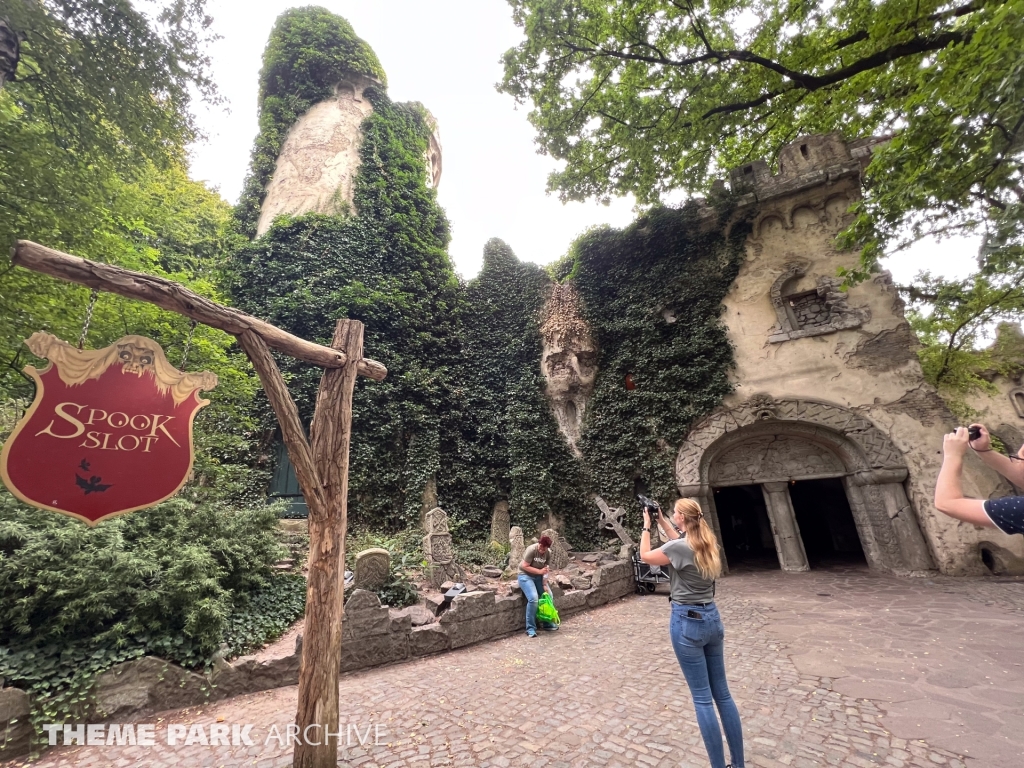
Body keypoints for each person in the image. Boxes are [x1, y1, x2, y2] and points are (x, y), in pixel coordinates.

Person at [641, 499, 744, 768]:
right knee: (722, 694)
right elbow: (679, 543)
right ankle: (739, 763)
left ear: (683, 518)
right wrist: (663, 519)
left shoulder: (678, 547)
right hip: (712, 617)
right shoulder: (706, 543)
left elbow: (646, 556)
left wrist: (646, 526)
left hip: (687, 620)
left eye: (675, 513)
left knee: (702, 698)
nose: (673, 515)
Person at [935, 425, 1024, 536]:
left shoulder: (1019, 508)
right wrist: (983, 450)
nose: (1018, 463)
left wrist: (952, 455)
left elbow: (946, 503)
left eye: (1020, 459)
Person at [518, 535, 559, 637]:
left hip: (539, 577)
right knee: (533, 599)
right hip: (525, 576)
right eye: (540, 546)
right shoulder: (531, 550)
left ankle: (546, 622)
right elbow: (524, 566)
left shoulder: (548, 553)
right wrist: (539, 571)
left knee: (548, 596)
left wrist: (544, 583)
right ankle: (530, 628)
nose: (541, 549)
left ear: (547, 548)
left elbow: (546, 569)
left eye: (543, 548)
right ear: (539, 543)